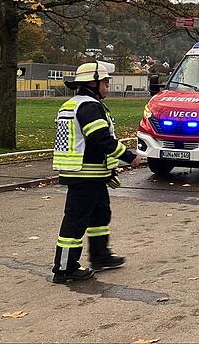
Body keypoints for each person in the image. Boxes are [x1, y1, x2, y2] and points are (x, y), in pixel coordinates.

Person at [51, 61, 141, 283]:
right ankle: (64, 268)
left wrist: (108, 171)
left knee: (100, 215)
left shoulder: (75, 104)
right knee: (76, 220)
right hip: (84, 174)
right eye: (105, 82)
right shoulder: (89, 107)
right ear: (93, 83)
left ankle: (100, 256)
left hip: (91, 173)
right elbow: (100, 139)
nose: (107, 86)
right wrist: (129, 157)